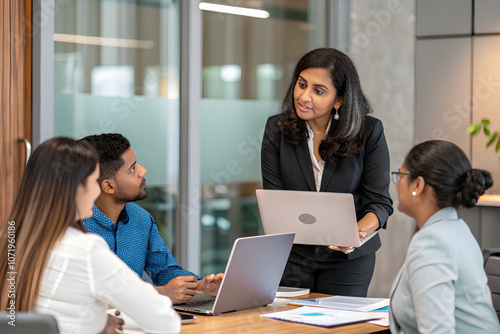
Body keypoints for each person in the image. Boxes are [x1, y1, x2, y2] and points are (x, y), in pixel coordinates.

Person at [0, 138, 181, 334]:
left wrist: (99, 319)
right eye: (93, 181)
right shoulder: (86, 249)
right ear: (76, 189)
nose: (97, 192)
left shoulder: (12, 238)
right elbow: (165, 322)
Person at [261, 48, 393, 297]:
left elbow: (380, 204)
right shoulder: (276, 129)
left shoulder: (369, 132)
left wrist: (356, 234)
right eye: (302, 84)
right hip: (292, 255)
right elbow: (274, 199)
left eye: (318, 91)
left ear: (339, 100)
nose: (304, 96)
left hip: (348, 257)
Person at [80, 133, 223, 304]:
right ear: (109, 186)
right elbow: (87, 296)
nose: (142, 171)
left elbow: (164, 271)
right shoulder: (76, 227)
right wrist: (159, 294)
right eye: (132, 169)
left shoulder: (140, 218)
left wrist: (202, 285)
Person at [389, 140, 500, 334]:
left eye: (400, 175)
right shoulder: (456, 229)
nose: (397, 184)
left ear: (418, 184)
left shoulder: (433, 243)